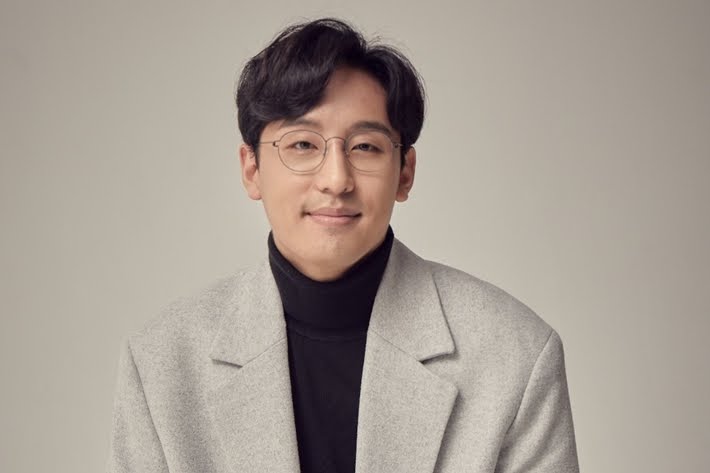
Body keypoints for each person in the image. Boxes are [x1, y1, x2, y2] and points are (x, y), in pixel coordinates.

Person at [107, 18, 579, 473]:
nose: (336, 180)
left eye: (365, 147)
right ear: (251, 169)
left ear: (405, 173)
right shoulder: (162, 363)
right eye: (303, 145)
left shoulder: (513, 354)